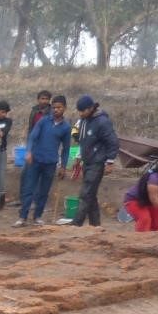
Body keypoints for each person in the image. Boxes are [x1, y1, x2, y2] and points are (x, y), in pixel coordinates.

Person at [16, 94, 71, 226]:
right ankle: (22, 217)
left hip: (50, 163)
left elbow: (66, 148)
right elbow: (32, 137)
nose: (56, 109)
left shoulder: (66, 127)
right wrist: (29, 151)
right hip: (35, 160)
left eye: (59, 107)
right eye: (54, 107)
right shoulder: (43, 121)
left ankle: (37, 217)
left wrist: (63, 166)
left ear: (65, 108)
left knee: (44, 192)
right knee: (29, 189)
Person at [68, 95, 119, 227]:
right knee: (91, 194)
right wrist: (78, 158)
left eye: (82, 111)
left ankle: (76, 223)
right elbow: (83, 141)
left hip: (97, 162)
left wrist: (110, 161)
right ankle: (95, 225)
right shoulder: (84, 120)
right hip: (87, 161)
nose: (80, 113)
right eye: (79, 111)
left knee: (86, 193)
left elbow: (112, 141)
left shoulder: (102, 122)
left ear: (90, 108)